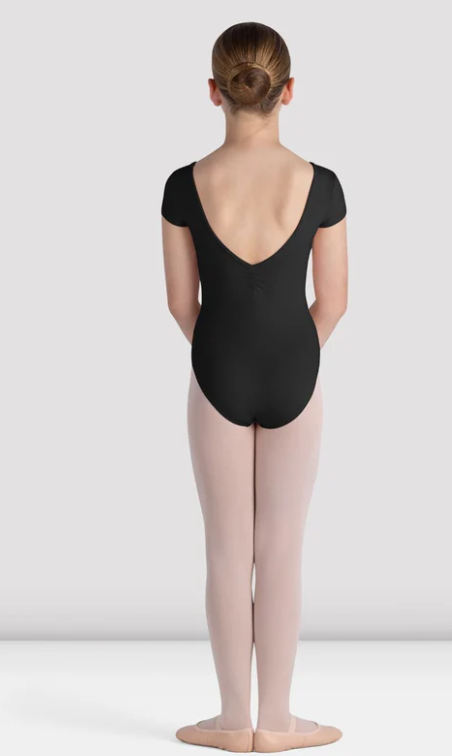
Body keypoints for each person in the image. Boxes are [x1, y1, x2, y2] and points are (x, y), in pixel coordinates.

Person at [161, 21, 348, 753]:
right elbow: (333, 302)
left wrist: (226, 354)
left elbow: (181, 304)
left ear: (214, 91)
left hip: (217, 372)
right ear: (288, 91)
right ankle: (278, 720)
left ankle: (231, 720)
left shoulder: (183, 185)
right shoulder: (321, 184)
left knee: (224, 549)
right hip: (295, 371)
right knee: (282, 549)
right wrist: (289, 354)